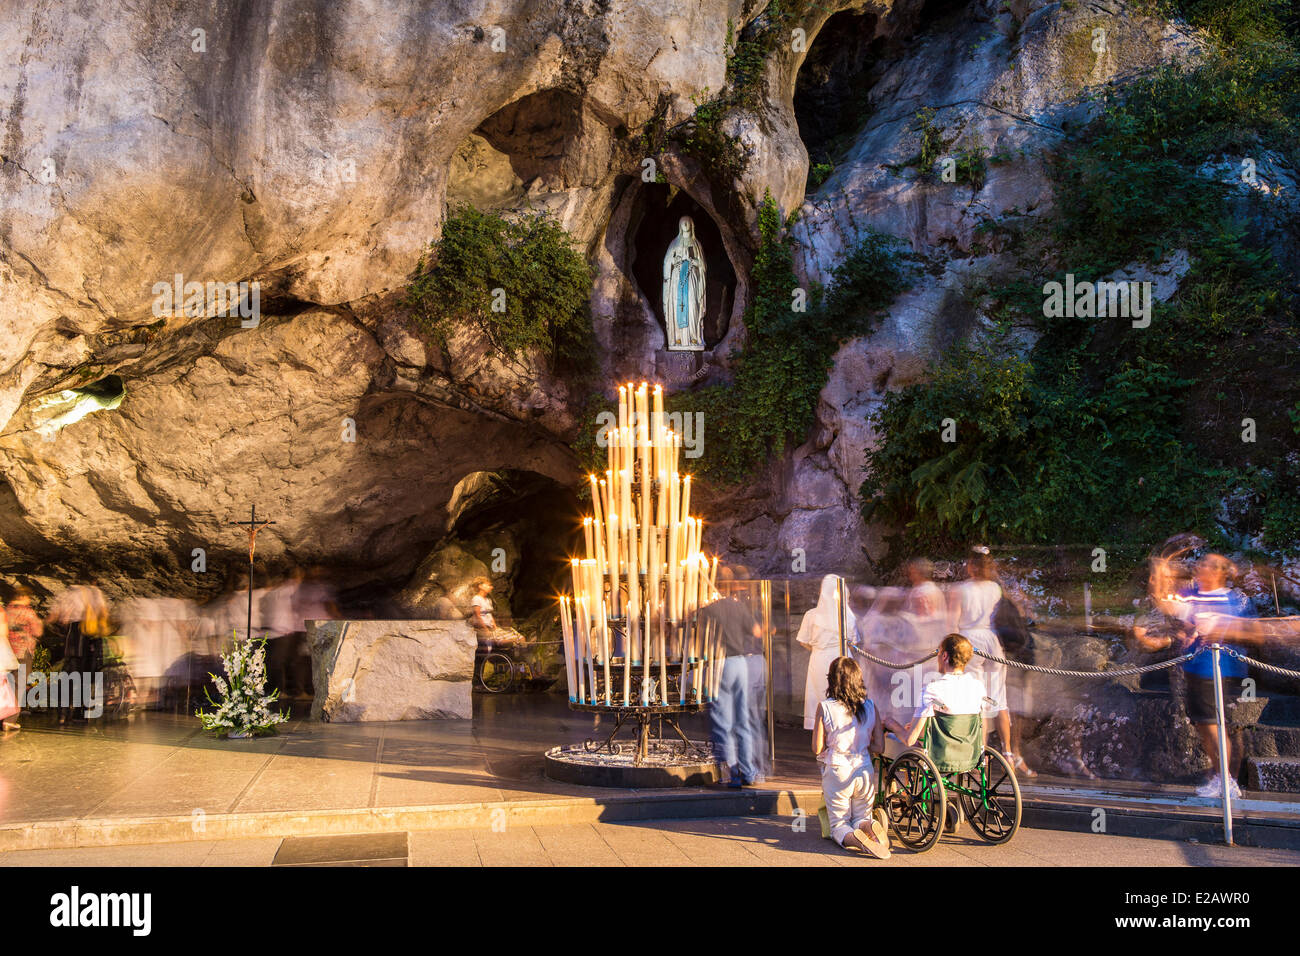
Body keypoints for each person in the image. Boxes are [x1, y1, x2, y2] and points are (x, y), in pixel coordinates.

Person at [1140, 552, 1254, 798]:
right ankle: (1220, 777)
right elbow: (1166, 603)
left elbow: (1230, 631)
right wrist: (1158, 575)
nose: (1198, 566)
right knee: (1206, 725)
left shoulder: (1226, 600)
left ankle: (1226, 782)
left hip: (1213, 670)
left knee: (1214, 726)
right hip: (1197, 670)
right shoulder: (1195, 594)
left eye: (1204, 564)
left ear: (1217, 572)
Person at [883, 633, 989, 834]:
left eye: (938, 653)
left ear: (945, 656)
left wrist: (890, 723)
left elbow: (910, 739)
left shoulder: (933, 689)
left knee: (890, 742)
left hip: (938, 755)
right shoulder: (977, 687)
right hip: (969, 754)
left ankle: (900, 797)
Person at [812, 656, 890, 857]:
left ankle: (857, 841)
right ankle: (870, 827)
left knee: (839, 824)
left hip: (838, 768)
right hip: (864, 767)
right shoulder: (871, 706)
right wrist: (864, 744)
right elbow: (879, 747)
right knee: (861, 816)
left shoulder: (825, 707)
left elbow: (816, 747)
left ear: (831, 680)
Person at [948, 546, 1016, 772]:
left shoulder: (961, 589)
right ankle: (1008, 752)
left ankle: (982, 753)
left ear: (971, 565)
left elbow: (953, 622)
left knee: (978, 699)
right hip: (993, 641)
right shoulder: (995, 588)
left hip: (970, 641)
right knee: (1000, 698)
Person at [699, 582, 762, 787]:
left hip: (720, 663)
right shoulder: (739, 607)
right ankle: (749, 772)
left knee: (723, 722)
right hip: (740, 663)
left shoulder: (709, 609)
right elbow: (757, 631)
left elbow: (696, 631)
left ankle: (732, 772)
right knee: (742, 720)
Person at [797, 574, 853, 731]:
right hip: (843, 658)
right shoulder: (849, 615)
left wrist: (818, 649)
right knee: (842, 695)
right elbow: (854, 641)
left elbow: (803, 640)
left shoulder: (811, 615)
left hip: (820, 659)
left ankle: (822, 737)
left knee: (821, 695)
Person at [5, 585, 43, 729]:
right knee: (18, 685)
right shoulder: (28, 612)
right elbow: (37, 631)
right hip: (23, 652)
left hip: (8, 653)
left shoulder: (6, 610)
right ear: (24, 597)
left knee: (6, 685)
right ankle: (9, 719)